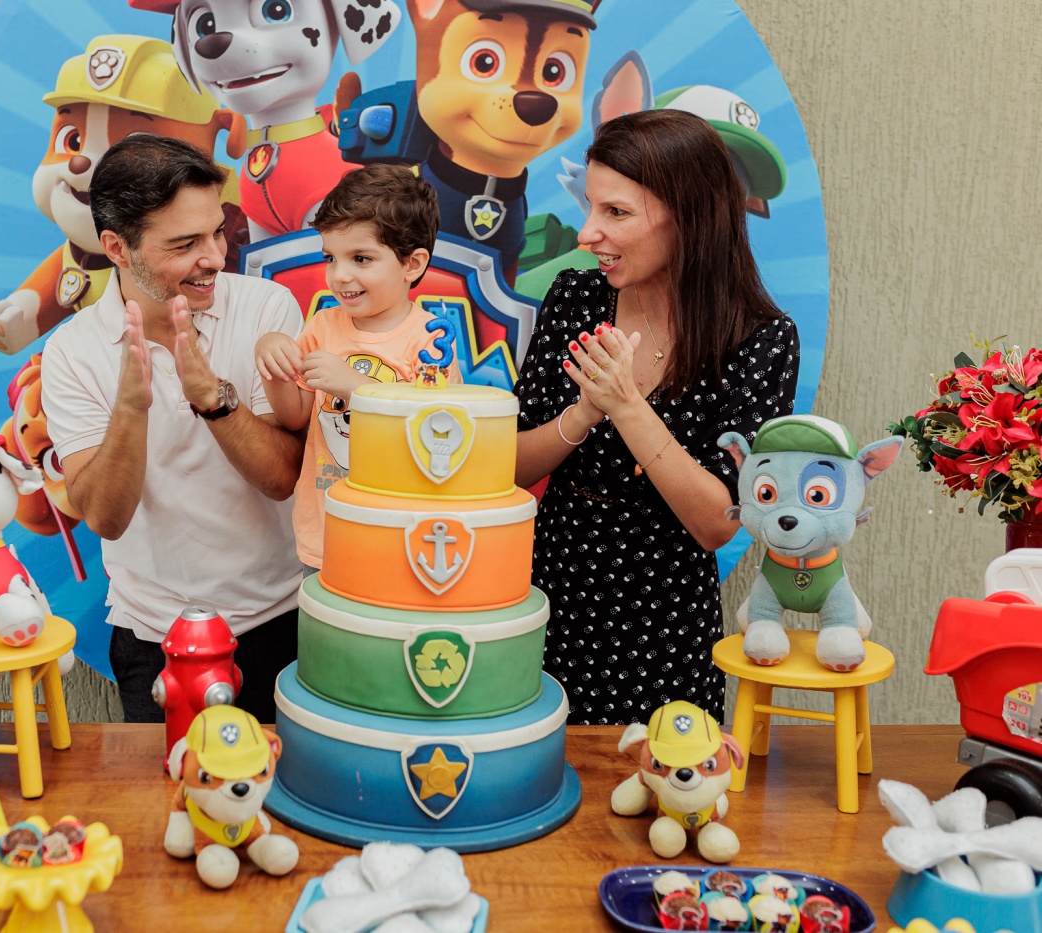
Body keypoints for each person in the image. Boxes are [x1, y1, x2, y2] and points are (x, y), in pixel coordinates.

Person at [513, 110, 801, 725]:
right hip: (554, 585)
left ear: (690, 216)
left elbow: (719, 523)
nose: (587, 233)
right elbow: (510, 466)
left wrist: (625, 405)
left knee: (666, 773)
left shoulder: (761, 338)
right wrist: (583, 414)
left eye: (616, 212)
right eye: (591, 207)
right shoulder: (575, 298)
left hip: (665, 618)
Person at [40, 134, 307, 723]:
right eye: (185, 245)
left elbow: (283, 477)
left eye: (217, 232)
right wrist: (130, 410)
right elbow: (104, 518)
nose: (214, 257)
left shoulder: (266, 309)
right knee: (171, 781)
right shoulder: (72, 352)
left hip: (285, 623)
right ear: (117, 247)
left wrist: (213, 400)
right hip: (155, 638)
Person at [254, 164, 457, 568]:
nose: (340, 275)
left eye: (361, 258)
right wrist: (272, 363)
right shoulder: (322, 326)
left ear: (412, 264)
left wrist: (358, 388)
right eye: (331, 257)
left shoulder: (430, 341)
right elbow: (294, 416)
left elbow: (438, 434)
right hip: (325, 533)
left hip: (399, 536)